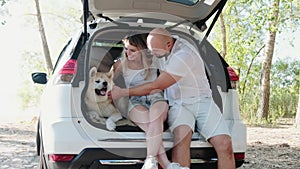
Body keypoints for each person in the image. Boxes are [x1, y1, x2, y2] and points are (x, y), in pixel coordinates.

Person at [110, 28, 236, 169]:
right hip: (177, 104)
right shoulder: (159, 48)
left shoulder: (184, 54)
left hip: (202, 101)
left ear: (169, 45)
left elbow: (156, 85)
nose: (151, 54)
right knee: (181, 141)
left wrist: (123, 92)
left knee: (225, 144)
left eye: (154, 51)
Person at [112, 33, 184, 169]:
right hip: (134, 100)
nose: (127, 53)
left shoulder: (155, 62)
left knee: (155, 120)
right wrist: (114, 90)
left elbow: (166, 81)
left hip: (156, 96)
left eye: (132, 50)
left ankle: (150, 161)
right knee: (150, 126)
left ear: (143, 51)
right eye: (126, 48)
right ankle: (166, 165)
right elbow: (109, 80)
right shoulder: (120, 64)